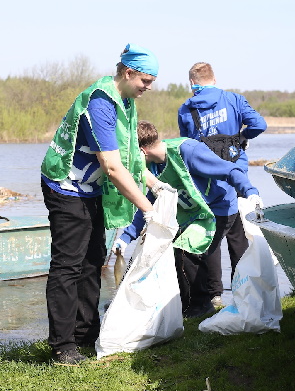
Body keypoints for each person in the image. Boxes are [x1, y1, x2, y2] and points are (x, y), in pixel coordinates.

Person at [40, 43, 159, 365]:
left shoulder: (125, 101)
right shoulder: (101, 103)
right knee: (68, 265)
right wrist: (147, 209)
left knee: (93, 261)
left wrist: (157, 186)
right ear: (128, 72)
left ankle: (86, 334)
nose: (148, 87)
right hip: (66, 187)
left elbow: (130, 156)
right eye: (145, 81)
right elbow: (112, 166)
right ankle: (62, 346)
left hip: (91, 189)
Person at [112, 121, 263, 318]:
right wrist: (126, 238)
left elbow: (230, 170)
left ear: (142, 151)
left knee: (187, 250)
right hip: (196, 214)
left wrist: (250, 192)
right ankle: (188, 304)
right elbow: (149, 203)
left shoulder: (189, 151)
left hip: (220, 209)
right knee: (176, 252)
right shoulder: (154, 167)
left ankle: (200, 306)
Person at [177, 62, 266, 309]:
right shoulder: (234, 100)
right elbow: (259, 124)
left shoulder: (186, 109)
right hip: (237, 177)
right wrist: (242, 137)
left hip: (206, 181)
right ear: (214, 79)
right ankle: (243, 288)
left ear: (192, 83)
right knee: (238, 236)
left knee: (212, 233)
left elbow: (186, 146)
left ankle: (214, 294)